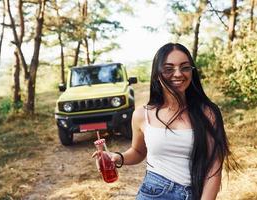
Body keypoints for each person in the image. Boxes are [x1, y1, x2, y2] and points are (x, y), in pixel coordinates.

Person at [95, 43, 236, 200]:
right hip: (153, 193)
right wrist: (117, 157)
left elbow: (214, 167)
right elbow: (138, 152)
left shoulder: (208, 113)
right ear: (157, 74)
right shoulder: (143, 115)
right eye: (169, 69)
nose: (178, 74)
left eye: (185, 67)